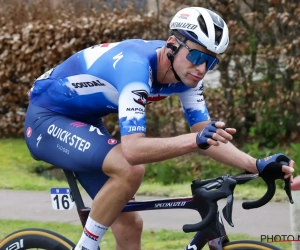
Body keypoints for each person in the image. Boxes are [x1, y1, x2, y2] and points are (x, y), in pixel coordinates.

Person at [24, 6, 294, 250]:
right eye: (198, 55)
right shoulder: (135, 69)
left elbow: (205, 133)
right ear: (173, 45)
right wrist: (194, 140)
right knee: (130, 168)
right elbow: (133, 150)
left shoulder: (186, 75)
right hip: (47, 118)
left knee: (130, 225)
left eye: (210, 62)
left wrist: (256, 164)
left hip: (86, 118)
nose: (201, 68)